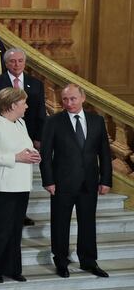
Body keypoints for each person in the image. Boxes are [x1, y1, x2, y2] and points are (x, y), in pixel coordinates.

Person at [40, 84, 113, 279]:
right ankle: (61, 261)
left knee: (88, 224)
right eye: (65, 99)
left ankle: (89, 261)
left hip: (89, 182)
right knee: (60, 223)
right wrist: (48, 180)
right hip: (61, 183)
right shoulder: (53, 121)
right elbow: (45, 155)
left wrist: (105, 179)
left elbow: (105, 153)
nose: (69, 103)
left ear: (83, 98)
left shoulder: (97, 121)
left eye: (72, 99)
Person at [0, 87, 40, 284]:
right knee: (1, 229)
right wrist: (16, 157)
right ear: (13, 105)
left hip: (20, 185)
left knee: (15, 229)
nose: (27, 106)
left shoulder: (20, 122)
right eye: (24, 103)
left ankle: (13, 268)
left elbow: (24, 148)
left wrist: (32, 155)